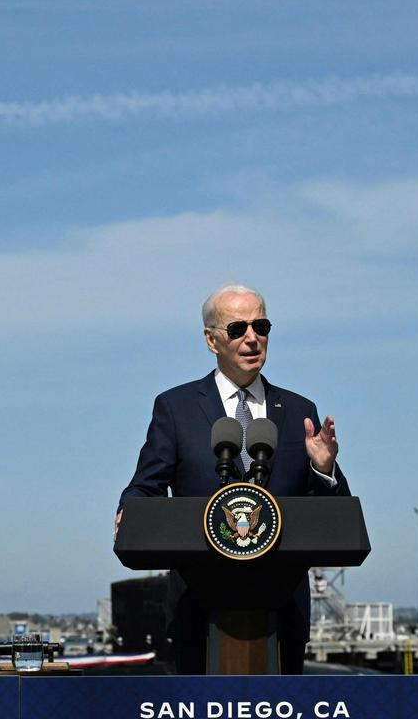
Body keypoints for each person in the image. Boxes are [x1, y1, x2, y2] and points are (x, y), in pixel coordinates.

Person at [117, 283, 351, 674]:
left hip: (282, 609)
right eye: (238, 328)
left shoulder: (299, 410)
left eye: (261, 326)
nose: (252, 338)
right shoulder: (176, 408)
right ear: (211, 341)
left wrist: (324, 469)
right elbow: (146, 484)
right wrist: (130, 510)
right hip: (198, 607)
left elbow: (331, 515)